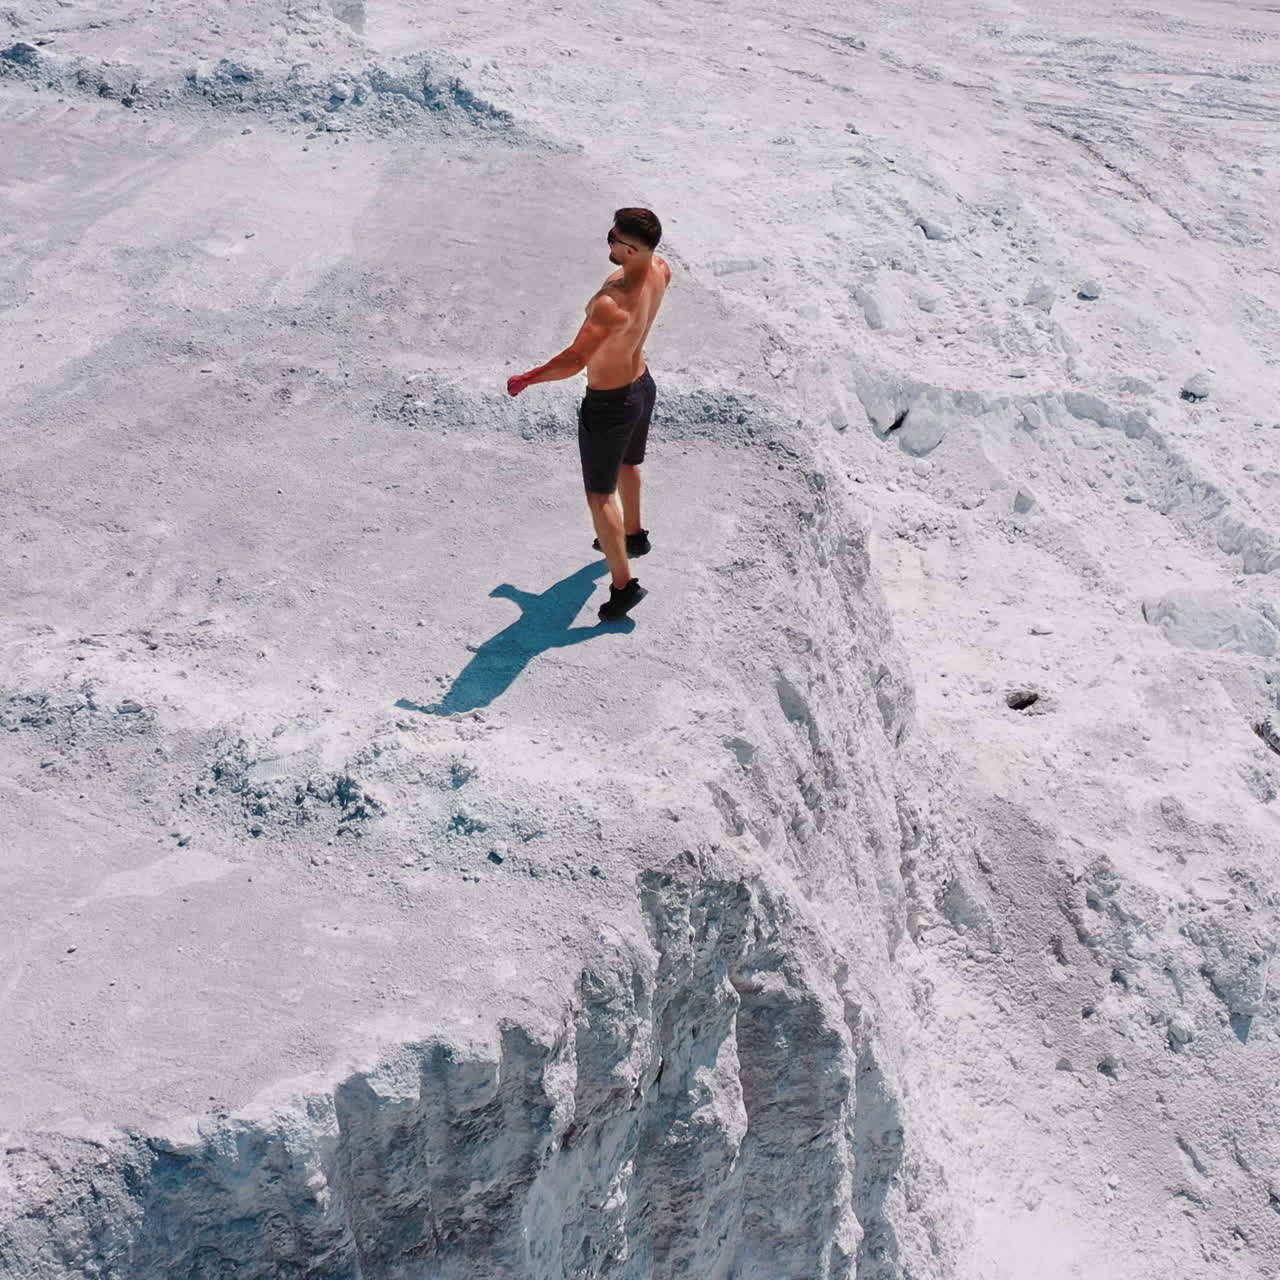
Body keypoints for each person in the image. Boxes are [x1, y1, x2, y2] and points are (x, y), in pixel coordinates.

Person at [507, 208, 670, 621]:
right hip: (642, 386)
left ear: (631, 249)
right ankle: (635, 536)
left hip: (610, 403)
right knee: (629, 465)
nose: (608, 241)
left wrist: (528, 378)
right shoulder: (661, 270)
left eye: (613, 238)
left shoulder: (609, 304)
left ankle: (623, 586)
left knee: (599, 497)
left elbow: (576, 359)